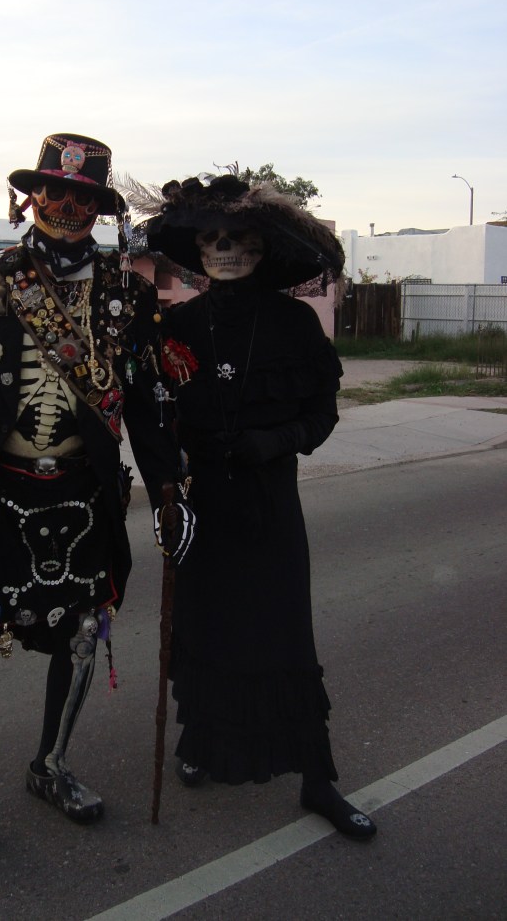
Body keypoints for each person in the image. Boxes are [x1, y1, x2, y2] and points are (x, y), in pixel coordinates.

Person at [0, 133, 189, 858]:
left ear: (101, 207)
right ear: (32, 195)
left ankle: (50, 763)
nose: (66, 203)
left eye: (83, 195)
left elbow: (145, 403)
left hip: (84, 492)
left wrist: (171, 485)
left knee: (83, 635)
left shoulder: (129, 293)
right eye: (54, 190)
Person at [134, 172, 377, 839]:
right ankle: (199, 742)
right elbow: (152, 412)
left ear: (262, 246)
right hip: (202, 505)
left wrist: (280, 439)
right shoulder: (175, 324)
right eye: (212, 239)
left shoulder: (295, 324)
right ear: (198, 250)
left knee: (283, 635)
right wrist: (166, 478)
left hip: (272, 507)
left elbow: (321, 412)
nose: (226, 250)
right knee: (207, 627)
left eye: (238, 238)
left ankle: (317, 778)